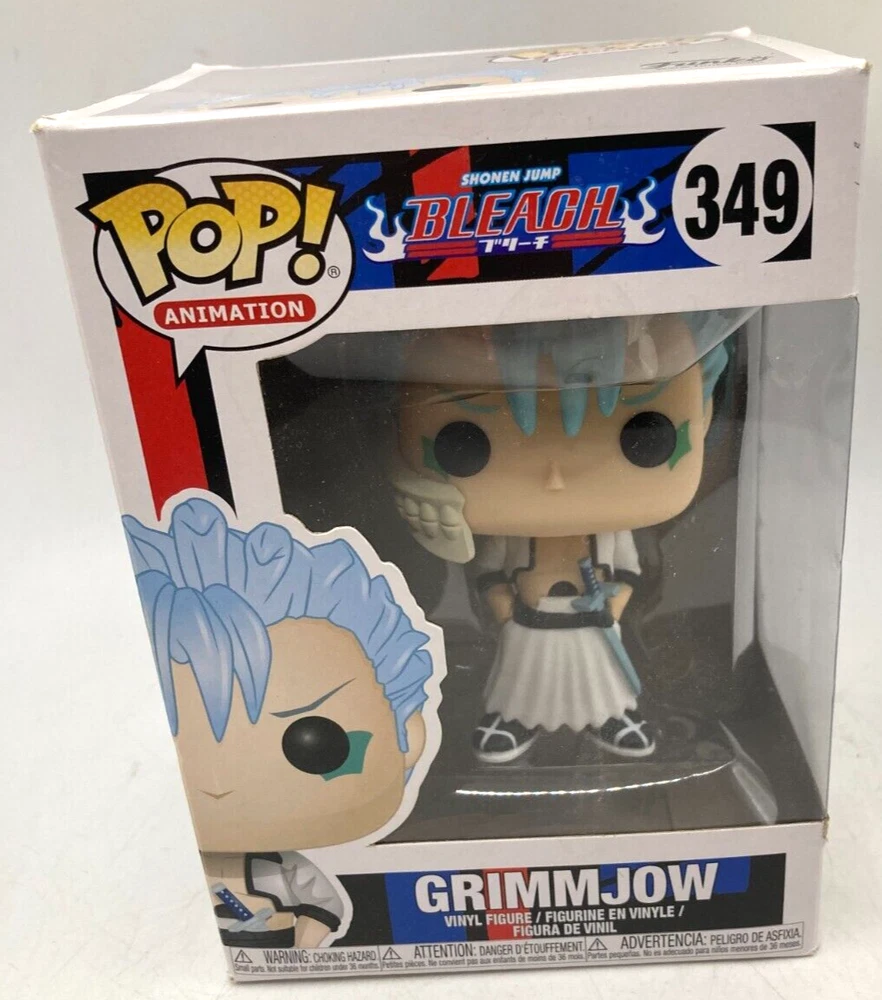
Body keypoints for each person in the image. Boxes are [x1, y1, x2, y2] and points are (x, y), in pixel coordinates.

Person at [392, 313, 731, 763]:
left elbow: (629, 572)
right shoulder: (514, 538)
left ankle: (613, 716)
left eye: (644, 437)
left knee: (601, 679)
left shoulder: (612, 534)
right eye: (465, 443)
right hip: (528, 624)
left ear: (704, 414)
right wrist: (502, 605)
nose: (554, 477)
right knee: (522, 681)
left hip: (593, 624)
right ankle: (512, 718)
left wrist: (612, 606)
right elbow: (489, 571)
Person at [124, 496, 435, 947]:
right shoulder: (159, 860)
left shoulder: (281, 869)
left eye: (312, 742)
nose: (217, 785)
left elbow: (323, 907)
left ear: (408, 733)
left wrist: (303, 949)